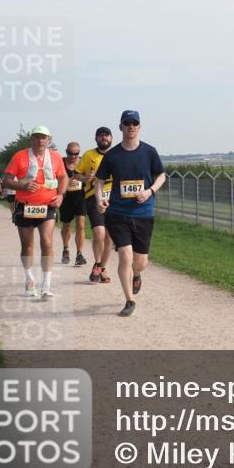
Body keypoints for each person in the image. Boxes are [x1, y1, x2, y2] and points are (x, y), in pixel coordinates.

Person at [93, 111, 166, 317]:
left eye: (135, 123)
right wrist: (100, 199)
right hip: (117, 213)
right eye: (127, 123)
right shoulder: (112, 155)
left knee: (140, 262)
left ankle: (136, 274)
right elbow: (99, 181)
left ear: (139, 127)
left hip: (143, 213)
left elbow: (161, 175)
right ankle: (129, 300)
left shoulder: (149, 152)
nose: (131, 126)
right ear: (121, 127)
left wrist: (149, 191)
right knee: (125, 255)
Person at [3, 126, 68, 299]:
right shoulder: (20, 156)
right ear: (31, 139)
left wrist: (61, 195)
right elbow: (6, 181)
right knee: (27, 246)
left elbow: (63, 177)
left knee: (47, 242)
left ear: (49, 140)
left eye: (44, 137)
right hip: (25, 206)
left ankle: (46, 285)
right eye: (37, 137)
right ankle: (29, 279)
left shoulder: (55, 157)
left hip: (48, 206)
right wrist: (22, 184)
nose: (40, 140)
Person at [75, 127, 115, 284]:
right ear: (96, 138)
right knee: (99, 233)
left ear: (111, 138)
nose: (104, 138)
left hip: (113, 200)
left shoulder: (117, 154)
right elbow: (76, 175)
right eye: (101, 136)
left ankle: (101, 268)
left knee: (109, 238)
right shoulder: (89, 155)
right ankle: (98, 263)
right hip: (93, 198)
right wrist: (86, 178)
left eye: (106, 135)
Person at [59, 141, 88, 266]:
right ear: (66, 152)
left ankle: (79, 254)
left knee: (81, 226)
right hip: (66, 199)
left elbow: (88, 178)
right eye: (71, 153)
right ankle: (65, 249)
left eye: (76, 154)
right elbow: (54, 178)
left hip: (80, 197)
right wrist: (64, 185)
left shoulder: (83, 162)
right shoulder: (60, 162)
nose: (73, 156)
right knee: (66, 226)